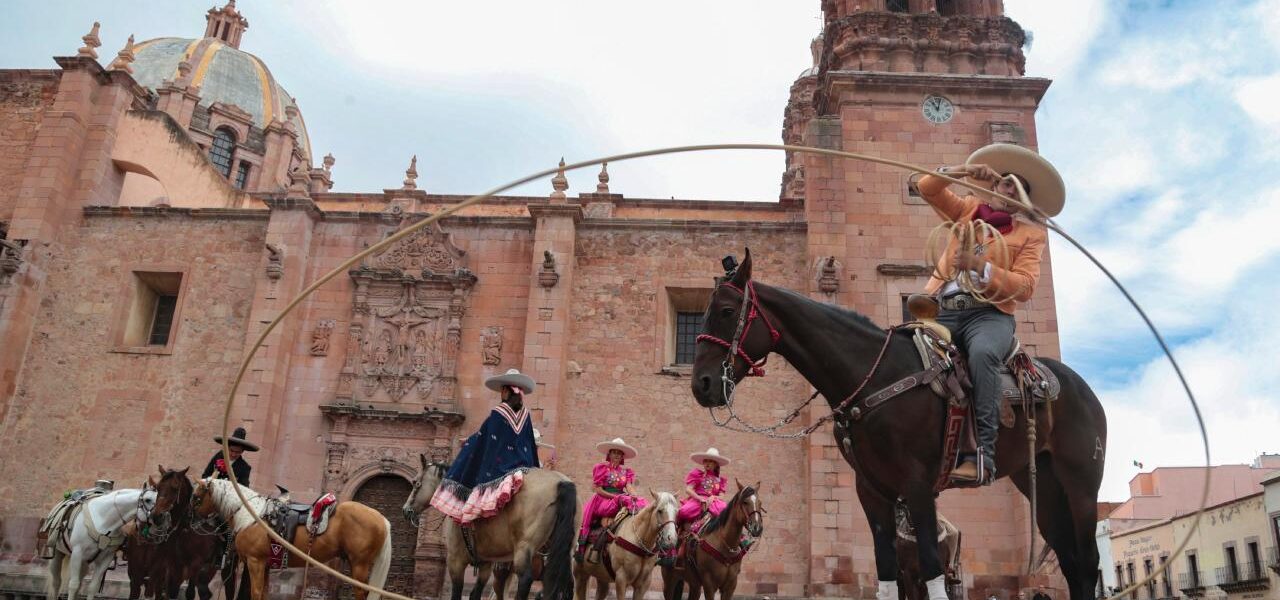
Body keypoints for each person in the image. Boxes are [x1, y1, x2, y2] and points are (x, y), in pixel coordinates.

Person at [916, 143, 1065, 484]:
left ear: (1023, 199)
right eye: (1004, 182)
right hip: (943, 308)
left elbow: (1025, 286)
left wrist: (980, 266)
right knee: (900, 347)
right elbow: (928, 188)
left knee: (982, 355)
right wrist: (963, 172)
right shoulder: (967, 210)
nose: (1007, 187)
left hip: (990, 314)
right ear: (994, 186)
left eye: (1016, 186)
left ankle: (983, 453)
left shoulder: (1030, 235)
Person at [429, 368, 539, 524]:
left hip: (502, 465)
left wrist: (468, 442)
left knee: (470, 458)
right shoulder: (526, 414)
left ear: (506, 392)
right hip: (524, 464)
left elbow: (485, 437)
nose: (501, 393)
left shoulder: (498, 412)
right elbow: (530, 443)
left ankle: (473, 518)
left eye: (502, 390)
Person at [576, 438, 648, 560]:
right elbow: (598, 490)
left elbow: (628, 486)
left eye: (619, 453)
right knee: (626, 500)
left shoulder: (626, 472)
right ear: (609, 454)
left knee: (643, 502)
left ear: (622, 456)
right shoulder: (601, 468)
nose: (616, 455)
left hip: (620, 498)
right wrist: (616, 497)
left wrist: (634, 495)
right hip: (603, 500)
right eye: (614, 452)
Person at [676, 447, 730, 531]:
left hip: (713, 502)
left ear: (716, 464)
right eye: (705, 461)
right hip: (698, 500)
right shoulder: (698, 474)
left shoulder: (721, 480)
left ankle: (740, 537)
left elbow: (721, 496)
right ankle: (676, 531)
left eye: (710, 461)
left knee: (725, 510)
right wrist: (700, 498)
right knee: (683, 511)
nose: (707, 463)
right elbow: (688, 490)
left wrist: (714, 497)